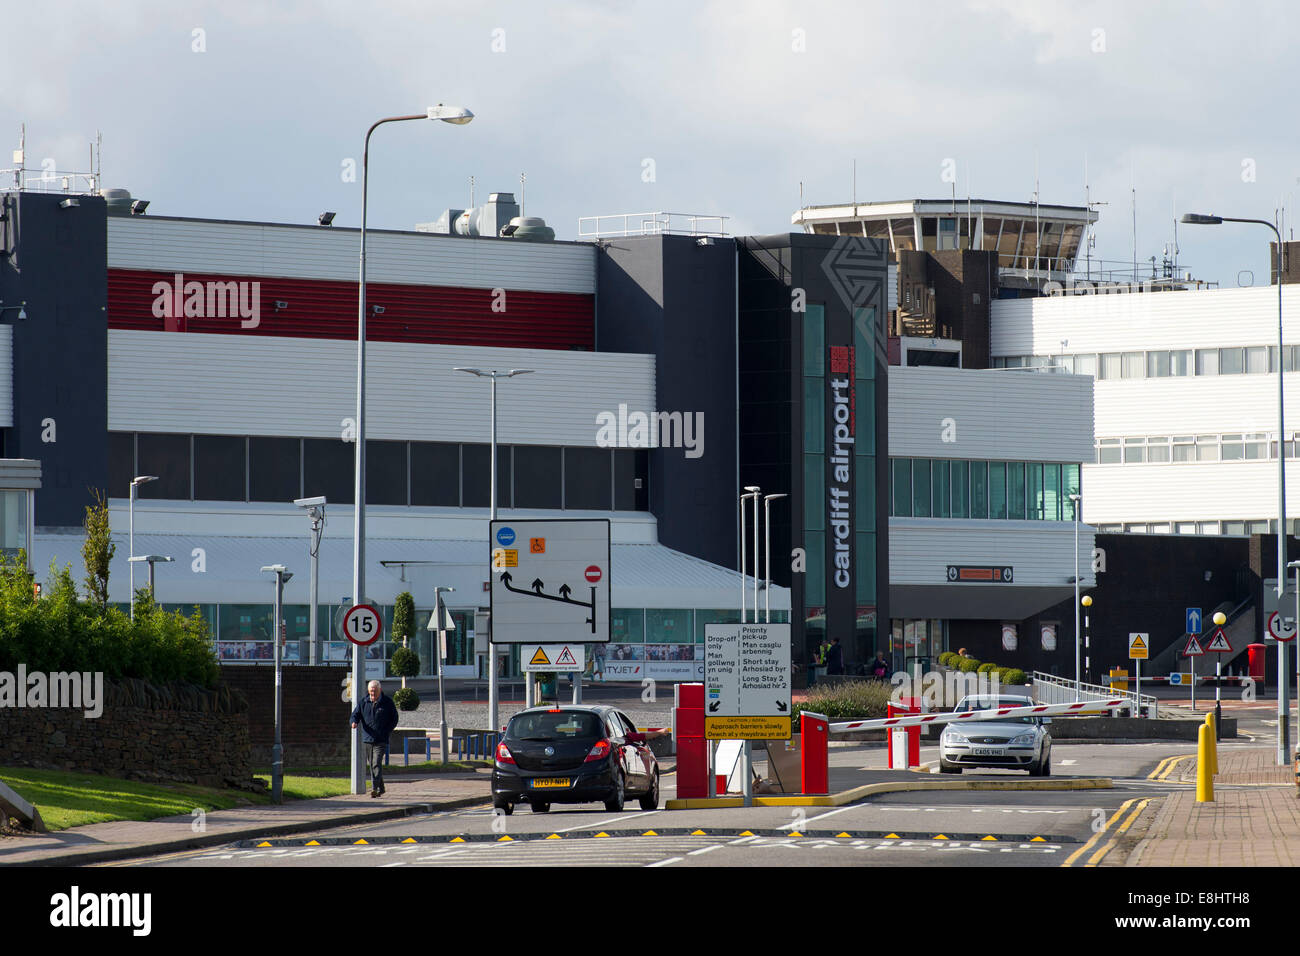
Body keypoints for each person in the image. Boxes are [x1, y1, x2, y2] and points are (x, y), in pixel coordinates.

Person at [350, 679, 398, 797]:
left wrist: (387, 731)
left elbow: (394, 718)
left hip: (381, 739)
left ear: (380, 690)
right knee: (372, 764)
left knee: (376, 762)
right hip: (368, 739)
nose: (372, 694)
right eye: (371, 692)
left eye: (374, 692)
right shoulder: (364, 702)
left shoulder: (387, 702)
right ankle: (381, 788)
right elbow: (355, 715)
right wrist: (354, 722)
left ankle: (375, 788)